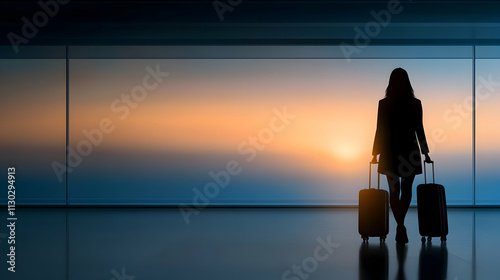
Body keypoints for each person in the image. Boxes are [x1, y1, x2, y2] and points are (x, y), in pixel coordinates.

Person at [371, 67, 432, 244]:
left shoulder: (384, 103)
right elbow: (419, 129)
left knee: (394, 191)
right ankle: (400, 226)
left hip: (390, 151)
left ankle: (400, 226)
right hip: (410, 151)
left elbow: (380, 130)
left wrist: (375, 153)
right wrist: (425, 152)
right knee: (406, 190)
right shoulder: (415, 103)